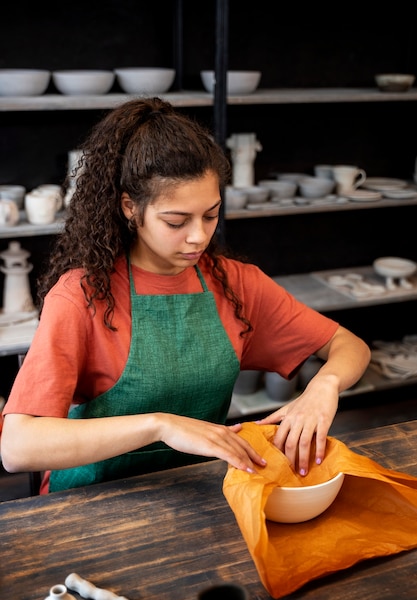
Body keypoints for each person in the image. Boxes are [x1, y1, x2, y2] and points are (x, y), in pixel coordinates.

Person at [0, 97, 370, 494]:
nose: (199, 237)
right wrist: (160, 425)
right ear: (130, 207)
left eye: (210, 215)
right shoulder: (82, 294)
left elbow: (349, 346)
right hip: (92, 501)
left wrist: (324, 387)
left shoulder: (235, 283)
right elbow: (18, 447)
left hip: (197, 493)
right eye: (176, 221)